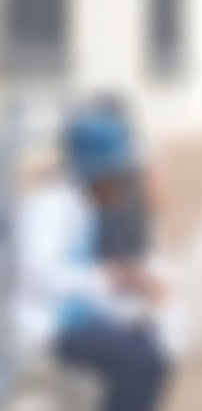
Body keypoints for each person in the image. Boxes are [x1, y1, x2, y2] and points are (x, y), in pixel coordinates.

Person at [15, 98, 175, 411]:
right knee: (136, 360)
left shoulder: (85, 208)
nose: (122, 185)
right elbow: (40, 277)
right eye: (117, 175)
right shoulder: (47, 207)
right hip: (49, 324)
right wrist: (113, 277)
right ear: (96, 171)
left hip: (79, 317)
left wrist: (127, 286)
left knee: (153, 350)